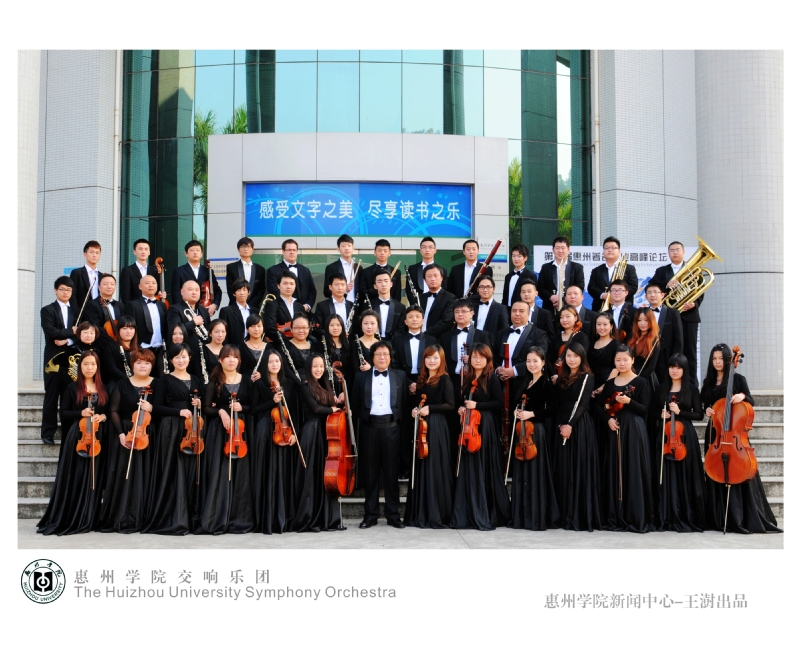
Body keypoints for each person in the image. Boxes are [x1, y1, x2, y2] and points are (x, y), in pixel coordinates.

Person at [700, 344, 780, 534]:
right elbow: (704, 404)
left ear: (729, 359)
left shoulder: (738, 379)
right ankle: (718, 518)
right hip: (716, 433)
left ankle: (740, 517)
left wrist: (741, 395)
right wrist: (706, 410)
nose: (717, 362)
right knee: (715, 472)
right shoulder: (708, 382)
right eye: (714, 358)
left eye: (721, 358)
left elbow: (750, 400)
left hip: (735, 433)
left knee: (738, 471)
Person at [37, 350, 109, 535]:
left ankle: (89, 517)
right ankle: (74, 516)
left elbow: (107, 411)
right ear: (79, 366)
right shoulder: (72, 388)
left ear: (97, 366)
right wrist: (80, 413)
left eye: (93, 364)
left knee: (94, 478)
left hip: (97, 437)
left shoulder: (103, 388)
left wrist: (102, 416)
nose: (89, 367)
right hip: (78, 437)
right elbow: (63, 413)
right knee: (77, 476)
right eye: (85, 364)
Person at [143, 343, 203, 535]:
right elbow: (157, 407)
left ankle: (189, 516)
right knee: (173, 470)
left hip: (191, 430)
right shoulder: (165, 380)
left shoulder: (196, 379)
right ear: (171, 360)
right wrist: (178, 412)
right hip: (171, 428)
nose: (181, 360)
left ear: (189, 358)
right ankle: (173, 517)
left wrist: (198, 403)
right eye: (177, 357)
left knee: (190, 472)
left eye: (184, 356)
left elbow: (202, 405)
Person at [450, 343, 511, 530]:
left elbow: (498, 403)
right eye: (474, 357)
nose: (477, 360)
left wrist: (477, 406)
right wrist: (461, 409)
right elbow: (463, 402)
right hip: (470, 427)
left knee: (483, 466)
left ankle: (484, 511)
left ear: (487, 359)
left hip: (485, 426)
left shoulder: (491, 378)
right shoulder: (467, 378)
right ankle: (467, 512)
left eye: (481, 357)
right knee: (469, 467)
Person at [195, 345, 254, 534]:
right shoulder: (214, 382)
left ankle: (238, 518)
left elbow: (253, 406)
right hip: (221, 432)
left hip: (240, 432)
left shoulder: (246, 380)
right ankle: (217, 516)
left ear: (239, 360)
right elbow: (206, 408)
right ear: (220, 360)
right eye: (227, 357)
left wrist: (242, 408)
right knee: (220, 472)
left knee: (240, 473)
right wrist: (221, 411)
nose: (231, 360)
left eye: (234, 357)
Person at [595, 346, 654, 533]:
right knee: (616, 470)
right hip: (616, 428)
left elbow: (645, 409)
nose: (622, 363)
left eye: (625, 360)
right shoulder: (610, 384)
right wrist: (608, 419)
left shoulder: (641, 382)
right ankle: (615, 514)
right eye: (618, 360)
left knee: (633, 468)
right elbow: (598, 406)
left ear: (632, 360)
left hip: (634, 429)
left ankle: (634, 515)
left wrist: (629, 402)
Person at [97, 348, 157, 533]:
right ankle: (121, 515)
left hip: (147, 435)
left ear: (152, 366)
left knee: (145, 475)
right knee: (123, 474)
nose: (142, 366)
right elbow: (113, 410)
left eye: (146, 363)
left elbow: (164, 408)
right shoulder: (123, 383)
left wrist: (152, 408)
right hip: (126, 433)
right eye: (138, 362)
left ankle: (142, 516)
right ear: (132, 365)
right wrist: (121, 433)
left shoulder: (158, 383)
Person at [352, 341, 407, 528]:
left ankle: (393, 515)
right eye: (378, 354)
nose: (382, 357)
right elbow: (356, 404)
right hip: (369, 429)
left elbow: (404, 404)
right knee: (370, 474)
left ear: (390, 357)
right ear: (372, 357)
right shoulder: (360, 377)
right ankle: (370, 515)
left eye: (385, 354)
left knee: (392, 473)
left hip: (392, 429)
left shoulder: (400, 376)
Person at [651, 354, 706, 532]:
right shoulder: (661, 388)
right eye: (672, 367)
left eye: (679, 367)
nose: (674, 370)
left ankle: (686, 514)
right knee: (665, 474)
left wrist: (680, 412)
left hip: (684, 437)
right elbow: (651, 412)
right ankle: (666, 514)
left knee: (685, 473)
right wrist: (660, 415)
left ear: (684, 370)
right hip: (665, 436)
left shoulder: (691, 389)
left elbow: (699, 415)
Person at [404, 345, 456, 528]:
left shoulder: (445, 380)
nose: (431, 361)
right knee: (422, 466)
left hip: (437, 427)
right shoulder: (421, 381)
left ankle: (437, 513)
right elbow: (419, 403)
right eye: (428, 358)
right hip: (423, 427)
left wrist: (430, 408)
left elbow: (451, 405)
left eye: (435, 358)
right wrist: (416, 410)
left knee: (435, 467)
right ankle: (422, 512)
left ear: (441, 360)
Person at [508, 347, 560, 530]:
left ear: (543, 362)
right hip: (522, 431)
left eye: (535, 361)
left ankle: (536, 516)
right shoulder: (526, 381)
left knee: (535, 472)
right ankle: (522, 516)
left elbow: (554, 409)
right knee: (522, 472)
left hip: (535, 432)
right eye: (528, 361)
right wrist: (516, 412)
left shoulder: (546, 383)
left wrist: (532, 414)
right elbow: (517, 403)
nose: (531, 364)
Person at [251, 351, 303, 534]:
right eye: (270, 361)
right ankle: (267, 518)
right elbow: (253, 409)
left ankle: (285, 518)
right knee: (269, 473)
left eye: (277, 361)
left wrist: (295, 433)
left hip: (285, 432)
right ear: (265, 364)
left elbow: (294, 410)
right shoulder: (260, 384)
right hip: (266, 432)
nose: (274, 364)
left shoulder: (289, 384)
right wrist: (271, 402)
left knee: (284, 474)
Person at [294, 354, 345, 532]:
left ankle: (328, 518)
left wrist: (340, 400)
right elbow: (315, 408)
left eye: (321, 366)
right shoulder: (305, 385)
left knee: (325, 474)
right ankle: (310, 518)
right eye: (315, 366)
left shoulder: (326, 384)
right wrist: (332, 408)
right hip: (312, 431)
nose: (318, 369)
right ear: (309, 368)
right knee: (313, 474)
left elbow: (331, 405)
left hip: (326, 431)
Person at [553, 344, 600, 531]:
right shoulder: (561, 378)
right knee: (564, 469)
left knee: (578, 467)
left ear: (582, 358)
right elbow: (557, 404)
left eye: (575, 356)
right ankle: (564, 514)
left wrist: (570, 425)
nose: (572, 359)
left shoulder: (587, 377)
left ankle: (578, 515)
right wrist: (560, 424)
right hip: (562, 425)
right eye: (568, 356)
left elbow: (582, 404)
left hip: (579, 426)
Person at [653, 241, 703, 382]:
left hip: (689, 316)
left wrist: (694, 304)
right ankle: (669, 384)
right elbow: (652, 286)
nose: (675, 252)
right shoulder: (662, 271)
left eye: (677, 250)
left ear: (683, 252)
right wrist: (666, 285)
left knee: (690, 352)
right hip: (669, 317)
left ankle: (691, 384)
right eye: (672, 250)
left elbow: (700, 291)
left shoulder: (693, 269)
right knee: (670, 351)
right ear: (668, 253)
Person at [41, 276, 77, 445]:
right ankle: (47, 433)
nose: (65, 292)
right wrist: (71, 332)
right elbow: (51, 331)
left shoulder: (77, 310)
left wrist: (67, 340)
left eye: (68, 290)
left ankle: (68, 433)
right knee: (51, 395)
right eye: (62, 289)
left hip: (71, 360)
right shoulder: (47, 310)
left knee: (68, 396)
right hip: (53, 359)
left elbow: (82, 332)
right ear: (55, 290)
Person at [495, 301, 550, 405]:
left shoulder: (539, 334)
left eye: (521, 311)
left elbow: (539, 359)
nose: (517, 314)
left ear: (528, 314)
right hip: (500, 384)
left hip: (524, 383)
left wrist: (514, 371)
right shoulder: (501, 333)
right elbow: (494, 355)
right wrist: (498, 369)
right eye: (514, 311)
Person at [167, 280, 211, 379]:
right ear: (182, 292)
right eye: (190, 289)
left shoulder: (203, 310)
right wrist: (193, 323)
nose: (194, 292)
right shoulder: (175, 309)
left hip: (202, 354)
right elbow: (174, 332)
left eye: (197, 290)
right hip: (184, 356)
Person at [440, 299, 492, 379]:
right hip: (451, 378)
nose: (460, 314)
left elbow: (488, 358)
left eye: (464, 311)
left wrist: (472, 359)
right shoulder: (446, 336)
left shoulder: (482, 335)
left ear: (472, 313)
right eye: (457, 312)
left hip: (475, 377)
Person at [644, 282, 684, 385]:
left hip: (666, 355)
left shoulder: (673, 313)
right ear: (646, 296)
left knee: (665, 384)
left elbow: (678, 338)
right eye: (649, 293)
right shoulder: (642, 313)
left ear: (662, 295)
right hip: (647, 356)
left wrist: (675, 360)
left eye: (655, 292)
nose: (652, 295)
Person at [536, 236, 586, 315]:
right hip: (549, 308)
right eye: (557, 248)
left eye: (563, 248)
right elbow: (540, 287)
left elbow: (579, 287)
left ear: (568, 249)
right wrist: (551, 297)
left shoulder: (577, 267)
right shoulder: (546, 267)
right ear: (553, 250)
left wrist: (563, 300)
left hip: (570, 308)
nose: (560, 251)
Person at [171, 240, 221, 316]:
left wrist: (214, 305)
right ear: (186, 254)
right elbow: (175, 293)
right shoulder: (179, 271)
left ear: (201, 254)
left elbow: (217, 290)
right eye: (192, 250)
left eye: (197, 250)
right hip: (185, 312)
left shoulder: (208, 271)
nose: (195, 252)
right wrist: (182, 310)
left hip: (204, 309)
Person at [587, 236, 638, 311]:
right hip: (600, 308)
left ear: (619, 251)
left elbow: (633, 286)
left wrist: (618, 296)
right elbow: (591, 287)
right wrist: (603, 295)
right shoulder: (596, 270)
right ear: (603, 251)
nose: (610, 250)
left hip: (624, 309)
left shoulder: (629, 268)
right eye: (607, 248)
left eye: (613, 248)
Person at [266, 238, 316, 312]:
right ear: (283, 251)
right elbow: (273, 291)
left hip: (304, 312)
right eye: (289, 250)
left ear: (297, 252)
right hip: (282, 312)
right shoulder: (273, 270)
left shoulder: (305, 270)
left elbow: (312, 290)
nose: (292, 252)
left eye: (294, 250)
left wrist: (308, 306)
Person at [125, 275, 167, 356]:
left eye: (154, 283)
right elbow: (130, 327)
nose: (151, 285)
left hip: (160, 348)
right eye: (147, 283)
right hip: (142, 348)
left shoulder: (162, 305)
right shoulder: (133, 305)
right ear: (140, 286)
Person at [547, 306, 590, 382]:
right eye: (561, 317)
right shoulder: (556, 338)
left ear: (576, 318)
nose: (564, 320)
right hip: (555, 377)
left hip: (574, 378)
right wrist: (554, 375)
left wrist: (563, 377)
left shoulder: (582, 337)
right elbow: (549, 359)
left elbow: (581, 359)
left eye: (568, 316)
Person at [263, 271, 304, 343]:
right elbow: (270, 329)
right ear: (278, 285)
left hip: (299, 344)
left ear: (295, 286)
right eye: (285, 283)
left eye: (291, 284)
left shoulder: (299, 306)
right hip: (280, 344)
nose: (288, 286)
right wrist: (288, 342)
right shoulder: (272, 305)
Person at [226, 236, 266, 309]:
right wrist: (240, 305)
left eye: (248, 246)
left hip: (254, 308)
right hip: (235, 308)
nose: (246, 249)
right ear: (238, 250)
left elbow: (261, 291)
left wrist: (249, 306)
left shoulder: (260, 269)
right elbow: (230, 289)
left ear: (252, 249)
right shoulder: (231, 267)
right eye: (243, 246)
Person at [119, 238, 163, 305]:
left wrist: (161, 294)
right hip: (135, 308)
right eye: (140, 249)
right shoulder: (127, 271)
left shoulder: (155, 270)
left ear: (149, 252)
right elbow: (125, 296)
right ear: (134, 252)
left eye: (146, 249)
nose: (143, 252)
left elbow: (158, 291)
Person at [406, 236, 448, 306]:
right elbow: (408, 290)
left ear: (435, 250)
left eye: (430, 247)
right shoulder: (412, 269)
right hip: (418, 305)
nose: (427, 250)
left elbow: (444, 290)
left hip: (437, 305)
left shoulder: (442, 270)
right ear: (420, 250)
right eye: (424, 247)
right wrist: (416, 305)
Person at [100, 315, 138, 389]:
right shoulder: (110, 347)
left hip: (136, 381)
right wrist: (128, 380)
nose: (128, 331)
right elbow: (112, 368)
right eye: (124, 328)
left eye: (131, 328)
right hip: (117, 383)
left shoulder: (138, 348)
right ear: (118, 330)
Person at [627, 308, 660, 392]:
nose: (642, 323)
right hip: (629, 376)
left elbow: (651, 367)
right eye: (639, 320)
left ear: (651, 321)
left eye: (646, 320)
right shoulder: (631, 338)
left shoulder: (654, 340)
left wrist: (638, 380)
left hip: (645, 378)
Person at [419, 264, 456, 339]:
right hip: (419, 339)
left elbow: (446, 321)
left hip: (438, 340)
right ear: (425, 280)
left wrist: (425, 335)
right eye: (429, 276)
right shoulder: (420, 298)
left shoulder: (450, 298)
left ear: (442, 278)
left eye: (435, 276)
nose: (432, 279)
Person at [588, 312, 622, 394]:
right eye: (598, 324)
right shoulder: (592, 343)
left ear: (611, 326)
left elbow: (616, 368)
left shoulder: (616, 344)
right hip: (591, 383)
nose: (601, 327)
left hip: (607, 383)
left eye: (605, 324)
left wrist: (604, 386)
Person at [360, 238, 402, 302]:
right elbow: (362, 293)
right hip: (371, 306)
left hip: (391, 306)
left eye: (385, 251)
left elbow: (397, 295)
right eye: (379, 250)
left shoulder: (397, 272)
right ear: (375, 252)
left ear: (389, 253)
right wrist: (378, 289)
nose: (382, 253)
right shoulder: (366, 272)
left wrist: (394, 306)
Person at [323, 234, 360, 305]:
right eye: (343, 246)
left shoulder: (358, 268)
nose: (347, 248)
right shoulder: (331, 267)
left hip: (356, 307)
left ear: (353, 248)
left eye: (349, 245)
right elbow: (326, 292)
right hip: (338, 305)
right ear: (338, 249)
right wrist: (344, 290)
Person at [371, 268, 406, 341]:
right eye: (379, 281)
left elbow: (401, 329)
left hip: (394, 344)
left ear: (391, 284)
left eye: (386, 281)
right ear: (375, 286)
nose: (383, 284)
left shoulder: (400, 307)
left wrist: (389, 343)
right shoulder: (368, 305)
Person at [474, 276, 509, 345]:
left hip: (491, 347)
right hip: (473, 345)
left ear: (494, 289)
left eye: (488, 287)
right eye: (482, 287)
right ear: (477, 289)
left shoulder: (501, 308)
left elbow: (504, 331)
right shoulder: (472, 307)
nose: (485, 290)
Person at [69, 240, 102, 312]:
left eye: (97, 253)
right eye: (91, 252)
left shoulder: (102, 276)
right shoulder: (76, 273)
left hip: (99, 311)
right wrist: (76, 313)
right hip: (83, 312)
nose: (94, 255)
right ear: (85, 254)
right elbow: (72, 295)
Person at [285, 313, 320, 379]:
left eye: (304, 327)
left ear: (309, 328)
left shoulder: (316, 347)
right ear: (291, 329)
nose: (301, 331)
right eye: (297, 328)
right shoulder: (284, 346)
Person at [502, 243, 537, 310]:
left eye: (519, 256)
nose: (516, 259)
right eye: (514, 256)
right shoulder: (508, 276)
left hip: (522, 310)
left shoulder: (531, 275)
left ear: (525, 258)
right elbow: (505, 296)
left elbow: (531, 297)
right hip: (507, 310)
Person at [218, 277, 252, 344]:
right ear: (234, 293)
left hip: (251, 347)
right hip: (233, 348)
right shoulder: (226, 311)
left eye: (244, 290)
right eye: (238, 290)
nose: (241, 293)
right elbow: (223, 333)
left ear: (248, 292)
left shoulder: (254, 311)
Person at [351, 310, 381, 375]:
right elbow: (354, 368)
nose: (369, 327)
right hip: (361, 379)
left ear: (378, 326)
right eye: (365, 323)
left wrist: (371, 368)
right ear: (361, 325)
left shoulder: (381, 345)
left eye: (372, 323)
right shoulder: (355, 344)